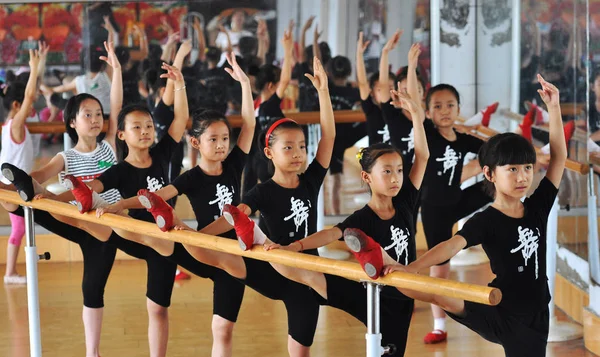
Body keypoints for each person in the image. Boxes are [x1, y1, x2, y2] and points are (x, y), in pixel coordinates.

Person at [386, 74, 566, 357]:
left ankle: (394, 274)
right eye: (512, 170)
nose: (523, 177)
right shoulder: (486, 221)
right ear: (489, 174)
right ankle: (393, 276)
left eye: (528, 169)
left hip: (536, 312)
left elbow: (558, 159)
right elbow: (449, 246)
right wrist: (413, 267)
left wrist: (554, 108)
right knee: (437, 293)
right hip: (500, 308)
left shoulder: (538, 206)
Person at [259, 84, 429, 356]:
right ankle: (262, 240)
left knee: (392, 349)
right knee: (311, 275)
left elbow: (423, 155)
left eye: (399, 170)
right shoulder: (363, 217)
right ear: (367, 177)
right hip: (370, 292)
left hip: (402, 295)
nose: (396, 177)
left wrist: (417, 116)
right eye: (387, 171)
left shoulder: (406, 201)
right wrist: (295, 247)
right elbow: (332, 233)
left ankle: (375, 261)